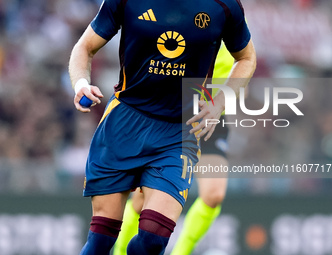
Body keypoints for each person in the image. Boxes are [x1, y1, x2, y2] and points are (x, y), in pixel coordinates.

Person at [68, 0, 256, 254]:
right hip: (124, 123)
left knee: (153, 240)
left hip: (180, 130)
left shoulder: (224, 6)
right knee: (101, 241)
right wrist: (81, 84)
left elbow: (246, 58)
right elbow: (85, 47)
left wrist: (219, 103)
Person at [113, 42, 233, 255]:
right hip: (170, 113)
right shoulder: (189, 13)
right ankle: (120, 251)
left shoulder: (238, 21)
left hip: (211, 117)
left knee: (213, 194)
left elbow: (245, 65)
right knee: (142, 199)